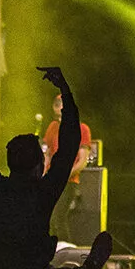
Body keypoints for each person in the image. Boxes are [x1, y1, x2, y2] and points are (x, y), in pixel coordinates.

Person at [0, 54, 112, 269]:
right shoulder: (44, 192)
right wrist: (64, 89)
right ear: (39, 166)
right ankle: (91, 267)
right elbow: (69, 146)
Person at [42, 92, 95, 245]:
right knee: (48, 220)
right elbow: (48, 154)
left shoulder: (82, 129)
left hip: (68, 181)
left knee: (58, 217)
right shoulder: (53, 127)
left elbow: (82, 160)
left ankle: (66, 256)